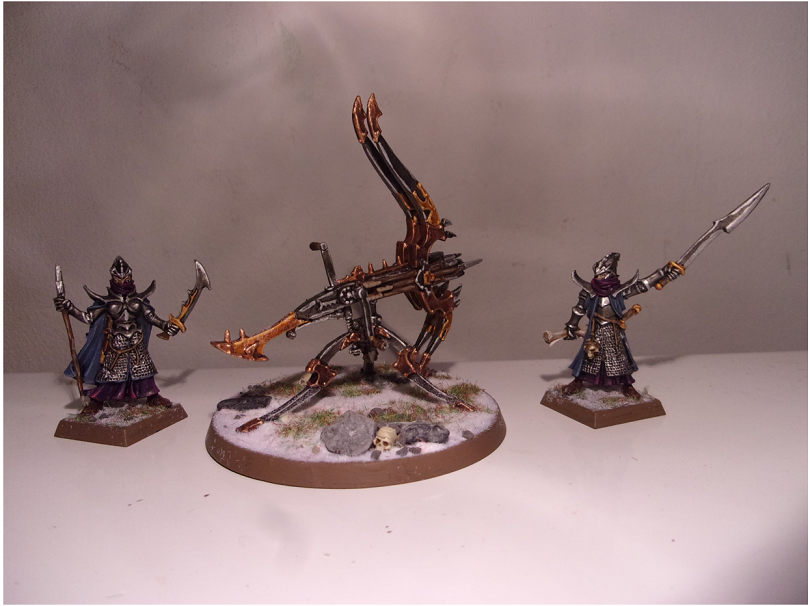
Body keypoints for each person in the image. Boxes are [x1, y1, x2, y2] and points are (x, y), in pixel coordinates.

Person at [54, 256, 180, 415]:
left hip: (136, 339)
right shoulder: (107, 301)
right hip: (117, 340)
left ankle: (152, 396)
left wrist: (166, 326)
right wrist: (70, 307)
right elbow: (88, 317)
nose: (122, 282)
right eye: (118, 279)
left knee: (143, 370)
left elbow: (150, 317)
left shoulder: (138, 299)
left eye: (126, 279)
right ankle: (97, 400)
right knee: (111, 374)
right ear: (113, 278)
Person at [561, 252, 680, 398]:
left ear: (610, 274)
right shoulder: (588, 290)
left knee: (618, 359)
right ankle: (577, 381)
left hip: (613, 330)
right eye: (598, 275)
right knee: (588, 357)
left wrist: (665, 271)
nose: (599, 277)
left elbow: (643, 285)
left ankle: (627, 385)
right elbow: (579, 309)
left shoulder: (619, 291)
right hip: (594, 330)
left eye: (602, 275)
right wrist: (572, 325)